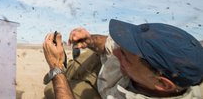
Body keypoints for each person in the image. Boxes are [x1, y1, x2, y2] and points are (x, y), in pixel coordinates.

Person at [42, 19, 203, 99]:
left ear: (161, 83)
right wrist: (88, 40)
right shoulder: (142, 61)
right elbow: (108, 43)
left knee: (50, 90)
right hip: (102, 71)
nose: (115, 53)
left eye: (125, 55)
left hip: (102, 90)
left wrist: (56, 68)